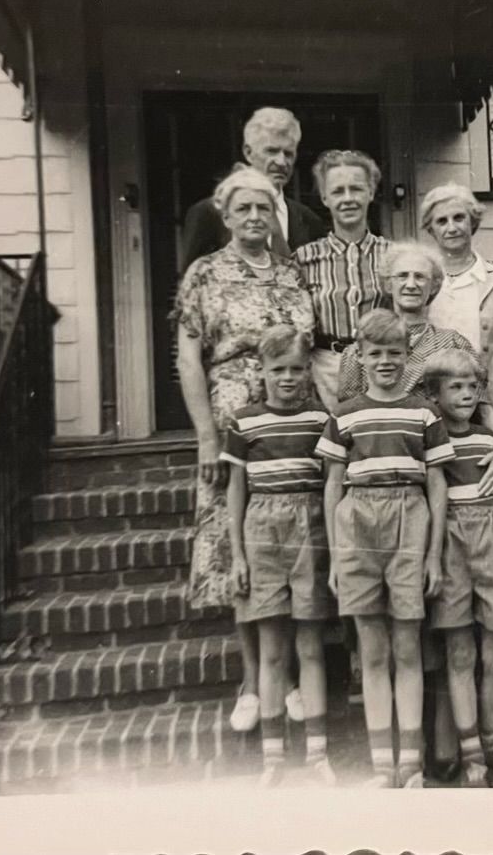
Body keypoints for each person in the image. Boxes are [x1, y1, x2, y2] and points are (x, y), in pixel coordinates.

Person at [174, 167, 314, 735]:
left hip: (290, 416)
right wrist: (207, 435)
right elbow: (187, 359)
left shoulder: (293, 272)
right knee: (243, 550)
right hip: (233, 417)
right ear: (224, 216)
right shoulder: (204, 273)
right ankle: (255, 682)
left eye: (263, 208)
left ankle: (298, 678)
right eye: (243, 209)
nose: (254, 217)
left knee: (293, 539)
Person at [316, 310, 455, 788]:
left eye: (394, 353)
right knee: (372, 652)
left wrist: (433, 554)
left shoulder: (423, 412)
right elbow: (332, 487)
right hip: (358, 526)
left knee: (407, 648)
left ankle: (410, 764)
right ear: (359, 355)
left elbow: (437, 486)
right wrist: (336, 556)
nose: (385, 362)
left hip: (409, 524)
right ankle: (381, 765)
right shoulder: (345, 413)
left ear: (408, 356)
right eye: (375, 354)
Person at [222, 325, 335, 787]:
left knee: (310, 647)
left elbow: (332, 482)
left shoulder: (319, 419)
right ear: (261, 372)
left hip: (310, 530)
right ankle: (273, 758)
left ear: (308, 371)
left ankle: (317, 754)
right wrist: (238, 557)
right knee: (271, 650)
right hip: (262, 534)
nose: (287, 378)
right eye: (277, 370)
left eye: (295, 369)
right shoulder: (244, 421)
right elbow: (235, 493)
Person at [422, 348, 493, 788]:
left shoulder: (490, 442)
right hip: (451, 543)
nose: (467, 394)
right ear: (434, 393)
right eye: (455, 387)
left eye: (473, 386)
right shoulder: (428, 441)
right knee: (459, 650)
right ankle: (470, 751)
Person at [420, 182, 493, 533]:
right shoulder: (423, 286)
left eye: (459, 218)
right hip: (437, 412)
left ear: (473, 222)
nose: (451, 227)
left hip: (492, 409)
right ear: (430, 229)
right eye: (441, 220)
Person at [295, 149, 389, 411]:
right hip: (325, 370)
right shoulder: (303, 259)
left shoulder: (393, 255)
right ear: (325, 198)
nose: (348, 199)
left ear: (370, 193)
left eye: (356, 189)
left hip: (380, 366)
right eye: (337, 191)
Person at [178, 107, 327, 272]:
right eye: (272, 151)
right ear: (248, 152)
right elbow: (191, 282)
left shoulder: (308, 219)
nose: (281, 162)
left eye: (288, 154)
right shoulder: (209, 212)